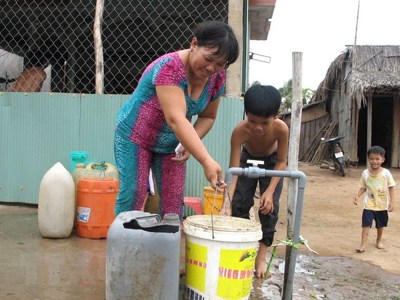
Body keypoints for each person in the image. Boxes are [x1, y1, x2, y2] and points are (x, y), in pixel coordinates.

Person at [114, 20, 239, 217]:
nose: (211, 68)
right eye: (209, 58)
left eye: (220, 64)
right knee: (133, 194)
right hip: (135, 136)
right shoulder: (170, 68)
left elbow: (208, 116)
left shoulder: (217, 78)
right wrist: (206, 160)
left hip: (171, 143)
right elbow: (176, 119)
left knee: (173, 204)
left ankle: (166, 247)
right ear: (194, 44)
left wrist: (188, 144)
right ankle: (122, 245)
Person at [225, 84, 289, 278]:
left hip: (271, 163)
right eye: (252, 121)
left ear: (276, 115)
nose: (258, 127)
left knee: (269, 209)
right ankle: (243, 252)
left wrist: (269, 192)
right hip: (247, 159)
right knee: (239, 205)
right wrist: (226, 201)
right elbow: (234, 171)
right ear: (245, 112)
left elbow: (281, 162)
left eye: (265, 123)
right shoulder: (239, 132)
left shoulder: (281, 129)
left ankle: (260, 257)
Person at [353, 145, 395, 253]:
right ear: (368, 159)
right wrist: (357, 195)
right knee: (366, 225)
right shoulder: (365, 173)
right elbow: (363, 186)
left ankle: (378, 240)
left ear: (383, 160)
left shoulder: (386, 173)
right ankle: (363, 245)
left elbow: (391, 187)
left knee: (380, 226)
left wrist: (392, 202)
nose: (374, 161)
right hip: (369, 204)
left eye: (377, 159)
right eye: (371, 158)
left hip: (382, 205)